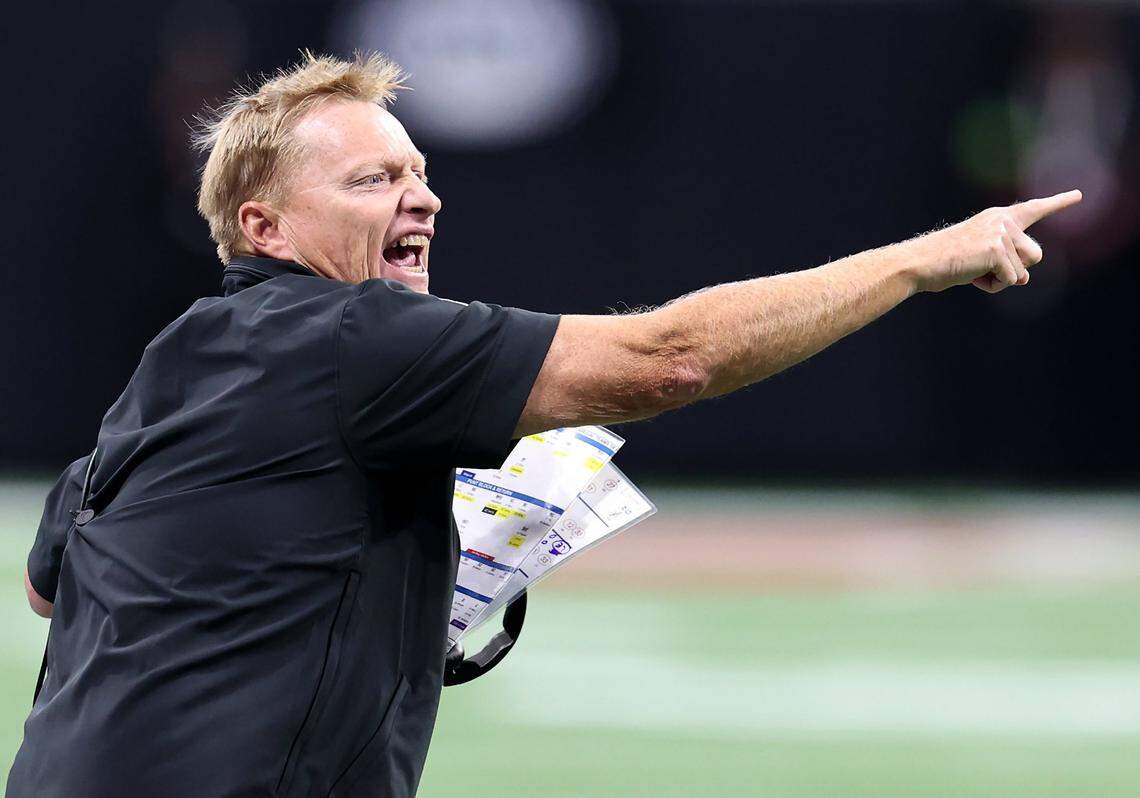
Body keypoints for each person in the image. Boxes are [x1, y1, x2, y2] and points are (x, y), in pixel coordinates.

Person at [9, 51, 1082, 798]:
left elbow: (50, 582)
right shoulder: (349, 337)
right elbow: (671, 360)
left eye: (420, 173)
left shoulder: (175, 362)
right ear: (265, 226)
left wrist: (317, 572)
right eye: (374, 178)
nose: (421, 198)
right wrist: (917, 260)